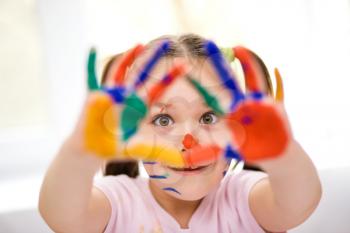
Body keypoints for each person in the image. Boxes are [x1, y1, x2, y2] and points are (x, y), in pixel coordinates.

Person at [38, 34, 322, 233]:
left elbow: (299, 203)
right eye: (163, 120)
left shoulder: (245, 197)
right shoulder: (117, 201)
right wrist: (80, 152)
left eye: (209, 116)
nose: (189, 140)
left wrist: (281, 153)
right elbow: (62, 216)